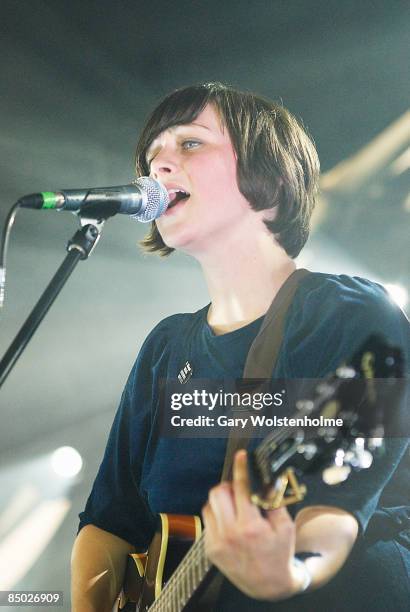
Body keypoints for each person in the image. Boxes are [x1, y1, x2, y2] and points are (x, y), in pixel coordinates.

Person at [71, 82, 410, 611]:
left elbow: (341, 505)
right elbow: (110, 523)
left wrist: (291, 573)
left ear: (271, 178)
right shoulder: (166, 346)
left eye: (189, 143)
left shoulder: (349, 315)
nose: (157, 164)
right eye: (151, 153)